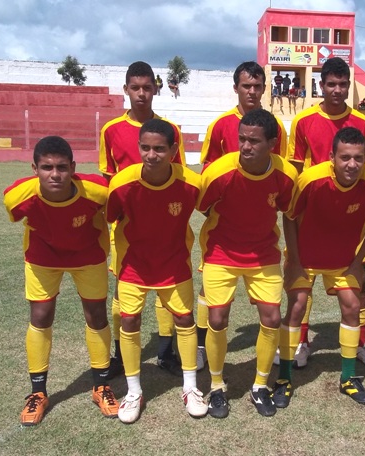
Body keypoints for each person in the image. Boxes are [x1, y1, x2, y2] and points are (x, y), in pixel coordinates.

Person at [4, 136, 119, 426]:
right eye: (47, 167)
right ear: (35, 168)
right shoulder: (18, 197)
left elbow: (117, 210)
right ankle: (38, 393)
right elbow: (17, 216)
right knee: (40, 316)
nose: (55, 174)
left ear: (73, 168)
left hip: (88, 257)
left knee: (96, 316)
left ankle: (101, 385)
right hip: (43, 259)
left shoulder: (96, 191)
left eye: (62, 167)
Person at [274, 127, 365, 408]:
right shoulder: (310, 179)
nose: (352, 164)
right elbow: (289, 217)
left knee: (352, 307)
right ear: (331, 157)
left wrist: (358, 260)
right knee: (297, 306)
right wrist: (295, 261)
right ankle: (284, 377)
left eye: (359, 158)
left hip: (343, 261)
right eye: (345, 158)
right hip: (306, 257)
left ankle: (348, 378)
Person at [198, 109, 297, 418]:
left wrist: (293, 256)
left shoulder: (285, 175)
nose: (245, 146)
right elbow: (203, 208)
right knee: (217, 319)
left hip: (263, 254)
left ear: (272, 143)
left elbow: (289, 214)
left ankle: (259, 386)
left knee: (271, 317)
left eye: (254, 141)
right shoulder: (218, 173)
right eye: (241, 139)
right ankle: (216, 387)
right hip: (221, 253)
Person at [107, 119, 206, 423]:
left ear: (174, 150)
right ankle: (133, 391)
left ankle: (190, 387)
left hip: (173, 262)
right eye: (145, 148)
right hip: (134, 264)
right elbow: (111, 220)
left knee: (184, 318)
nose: (152, 155)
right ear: (138, 148)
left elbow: (213, 210)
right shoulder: (121, 185)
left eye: (159, 149)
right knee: (130, 319)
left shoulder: (191, 183)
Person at [196, 61, 288, 373]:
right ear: (236, 87)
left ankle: (263, 367)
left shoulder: (275, 128)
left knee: (268, 313)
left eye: (257, 86)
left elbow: (278, 172)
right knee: (210, 296)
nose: (252, 91)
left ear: (264, 88)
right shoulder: (221, 125)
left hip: (260, 238)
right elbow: (208, 175)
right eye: (246, 86)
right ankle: (199, 344)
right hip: (223, 233)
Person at [285, 56, 365, 368]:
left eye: (342, 84)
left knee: (357, 282)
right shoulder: (303, 121)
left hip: (349, 216)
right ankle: (301, 343)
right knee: (302, 286)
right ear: (320, 85)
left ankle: (361, 342)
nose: (337, 89)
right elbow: (296, 168)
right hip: (312, 213)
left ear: (349, 86)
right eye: (331, 84)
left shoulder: (362, 123)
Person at [100, 61, 186, 379]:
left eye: (146, 88)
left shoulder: (169, 130)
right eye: (135, 88)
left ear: (155, 89)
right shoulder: (111, 131)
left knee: (166, 289)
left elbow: (177, 177)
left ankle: (165, 352)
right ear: (126, 89)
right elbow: (108, 179)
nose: (141, 94)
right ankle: (121, 355)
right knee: (123, 289)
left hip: (164, 224)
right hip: (125, 226)